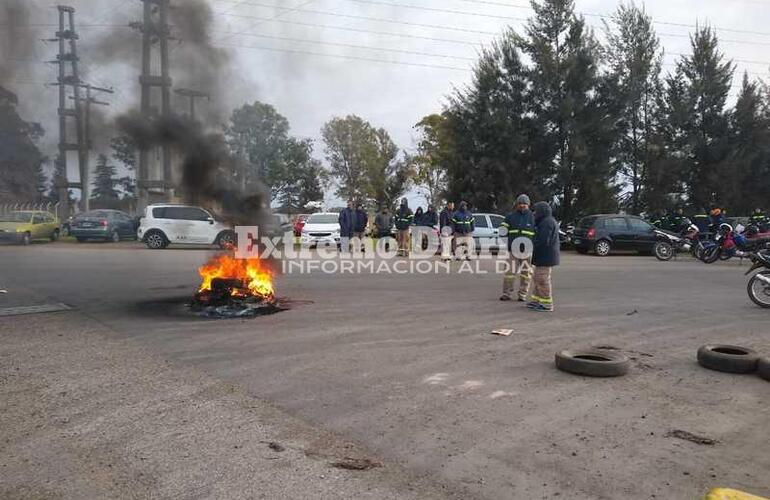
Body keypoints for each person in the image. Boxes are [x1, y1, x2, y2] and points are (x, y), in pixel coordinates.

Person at [500, 194, 535, 302]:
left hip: (527, 250)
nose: (522, 205)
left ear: (528, 205)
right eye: (520, 203)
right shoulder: (510, 216)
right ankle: (506, 293)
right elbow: (502, 230)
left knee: (526, 273)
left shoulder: (533, 217)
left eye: (524, 203)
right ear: (517, 204)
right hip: (513, 249)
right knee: (509, 272)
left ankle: (522, 294)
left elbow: (538, 233)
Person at [528, 201, 560, 312]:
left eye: (536, 211)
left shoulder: (547, 223)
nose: (534, 213)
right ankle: (536, 300)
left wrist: (532, 244)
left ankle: (547, 303)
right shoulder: (545, 221)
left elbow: (543, 240)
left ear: (541, 211)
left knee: (542, 279)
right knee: (537, 278)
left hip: (546, 256)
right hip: (544, 256)